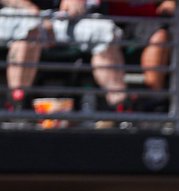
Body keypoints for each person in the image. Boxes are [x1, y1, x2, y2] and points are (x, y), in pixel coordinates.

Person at [1, 0, 129, 112]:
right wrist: (33, 11)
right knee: (29, 30)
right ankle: (16, 104)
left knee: (103, 32)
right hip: (22, 13)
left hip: (68, 18)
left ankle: (119, 106)